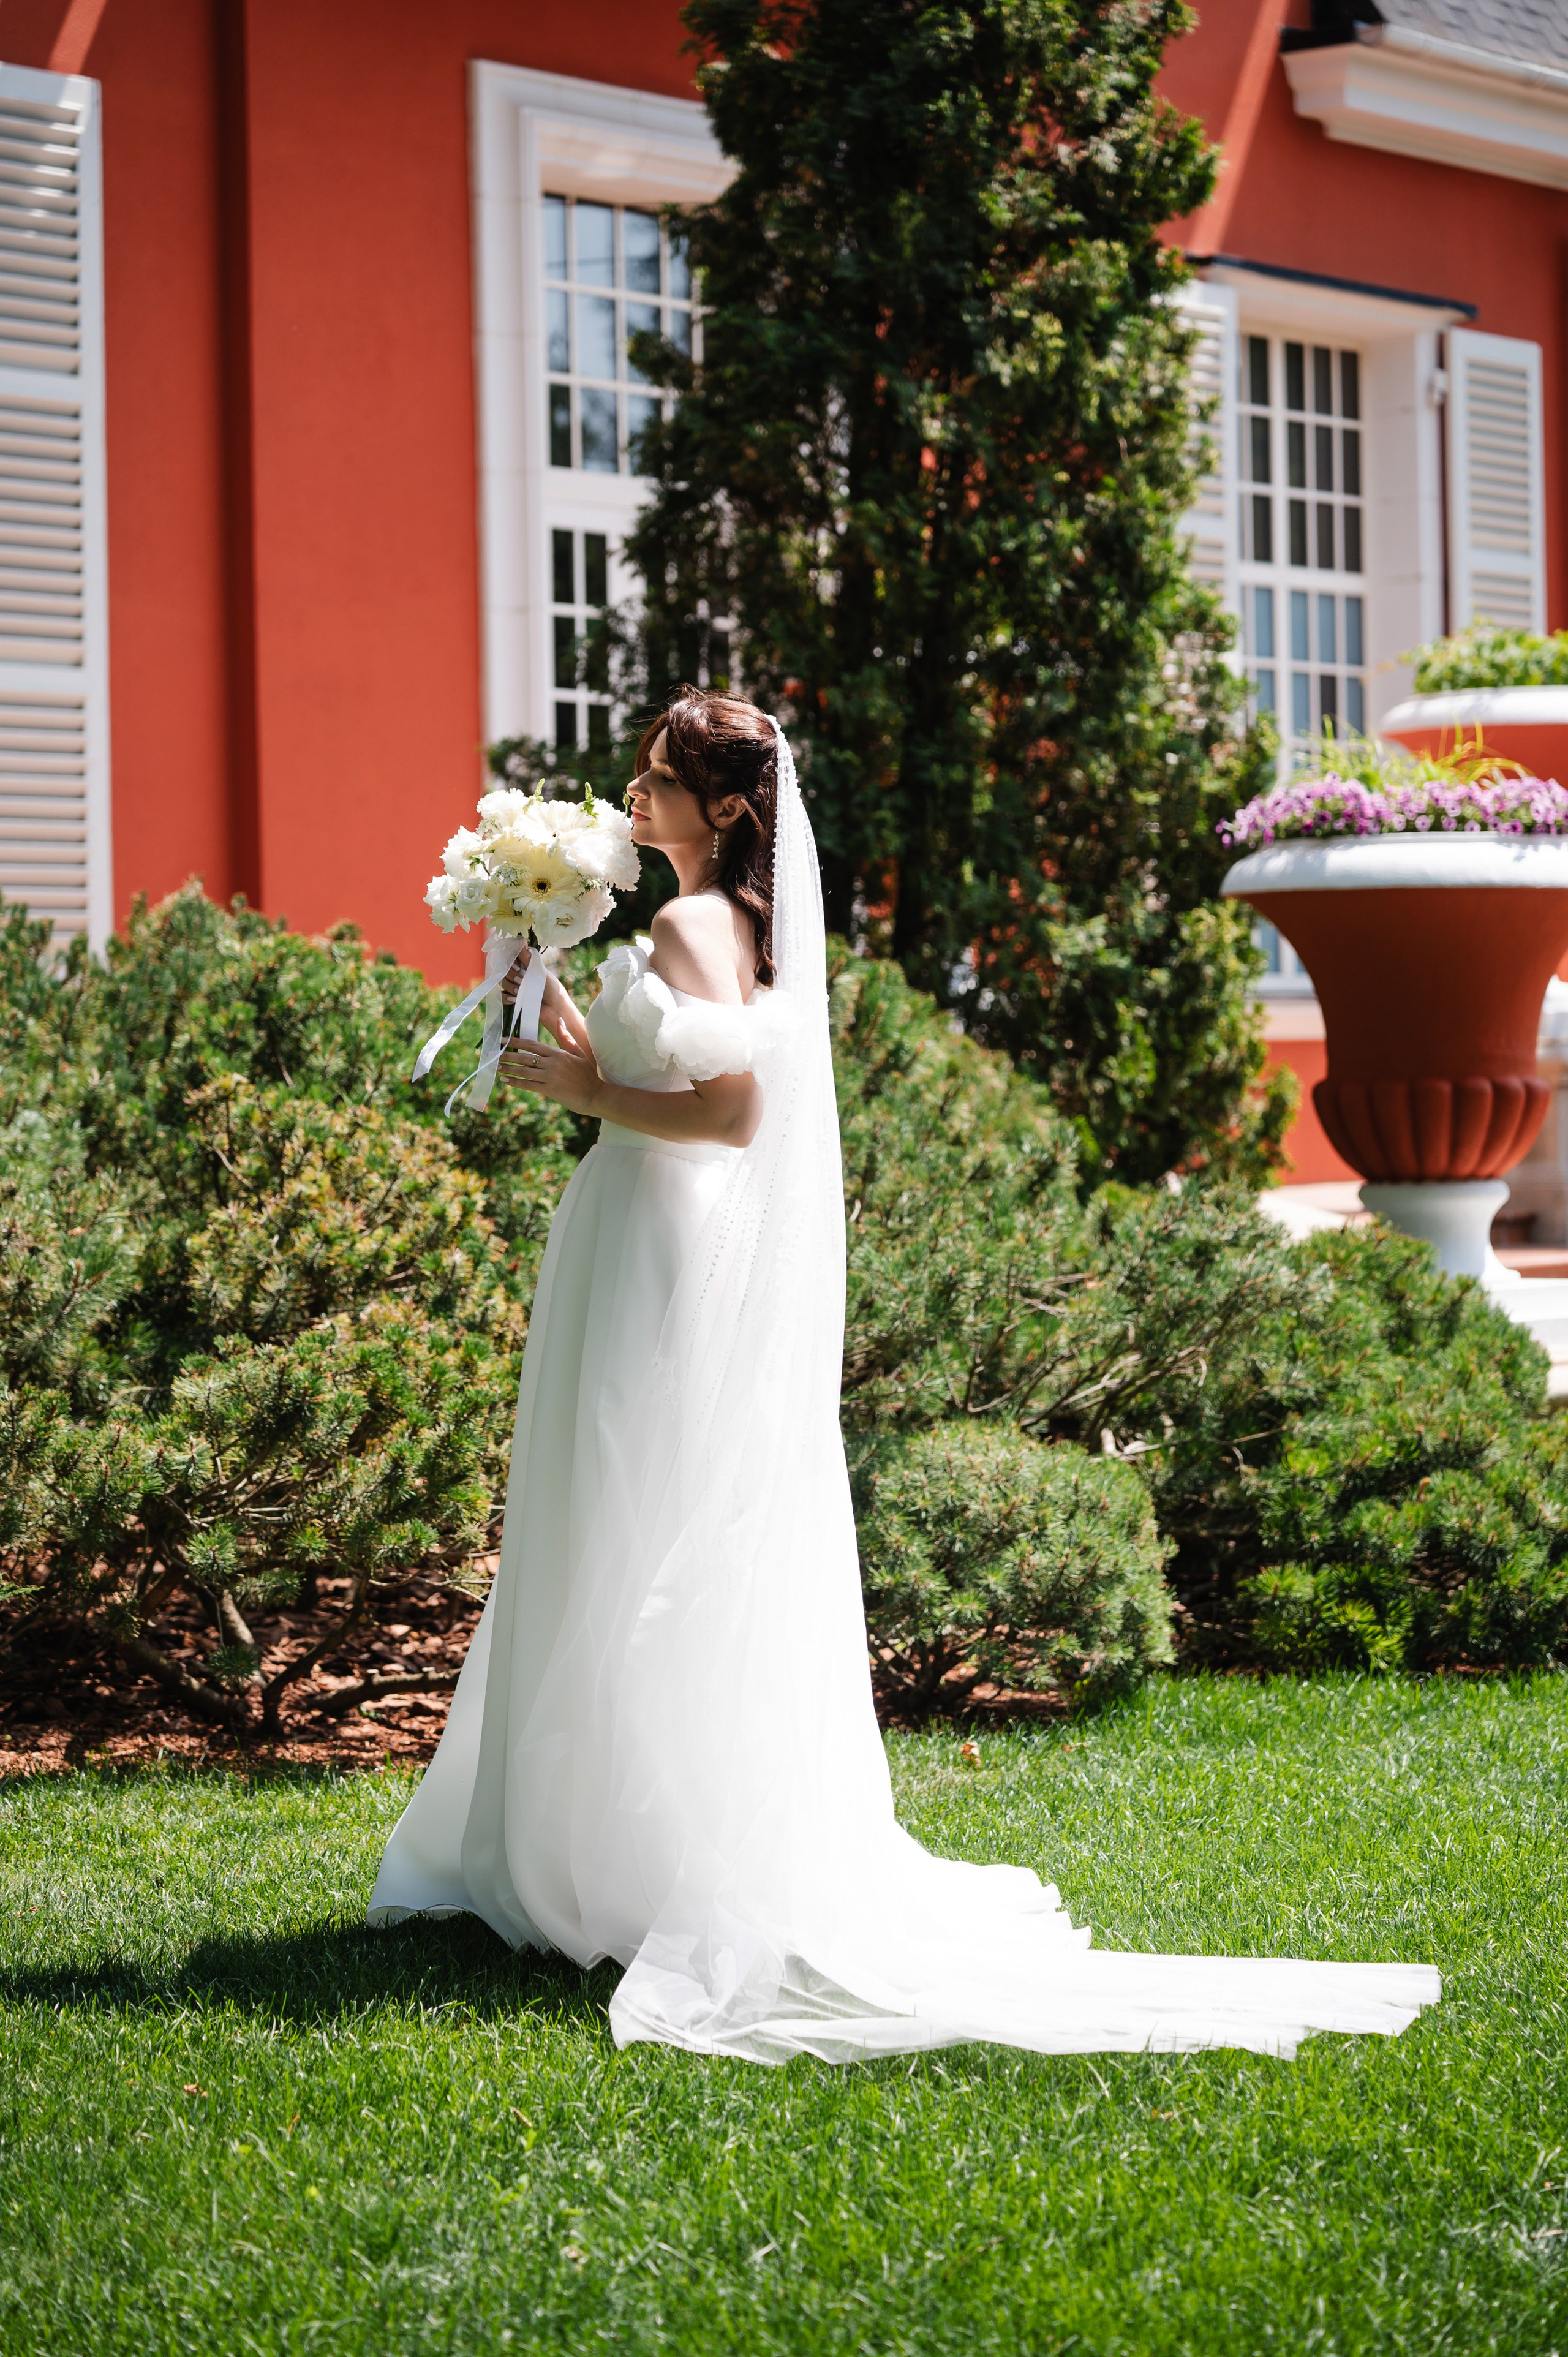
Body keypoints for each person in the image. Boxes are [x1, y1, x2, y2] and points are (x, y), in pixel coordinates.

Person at [368, 689, 1441, 2065]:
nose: (632, 800)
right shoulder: (714, 926)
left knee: (629, 1518)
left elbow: (725, 1114)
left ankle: (616, 1857)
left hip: (653, 1229)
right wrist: (540, 967)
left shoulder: (700, 924)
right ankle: (611, 1838)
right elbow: (641, 1070)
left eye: (654, 783)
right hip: (634, 1222)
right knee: (630, 1513)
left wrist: (579, 1097)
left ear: (723, 809)